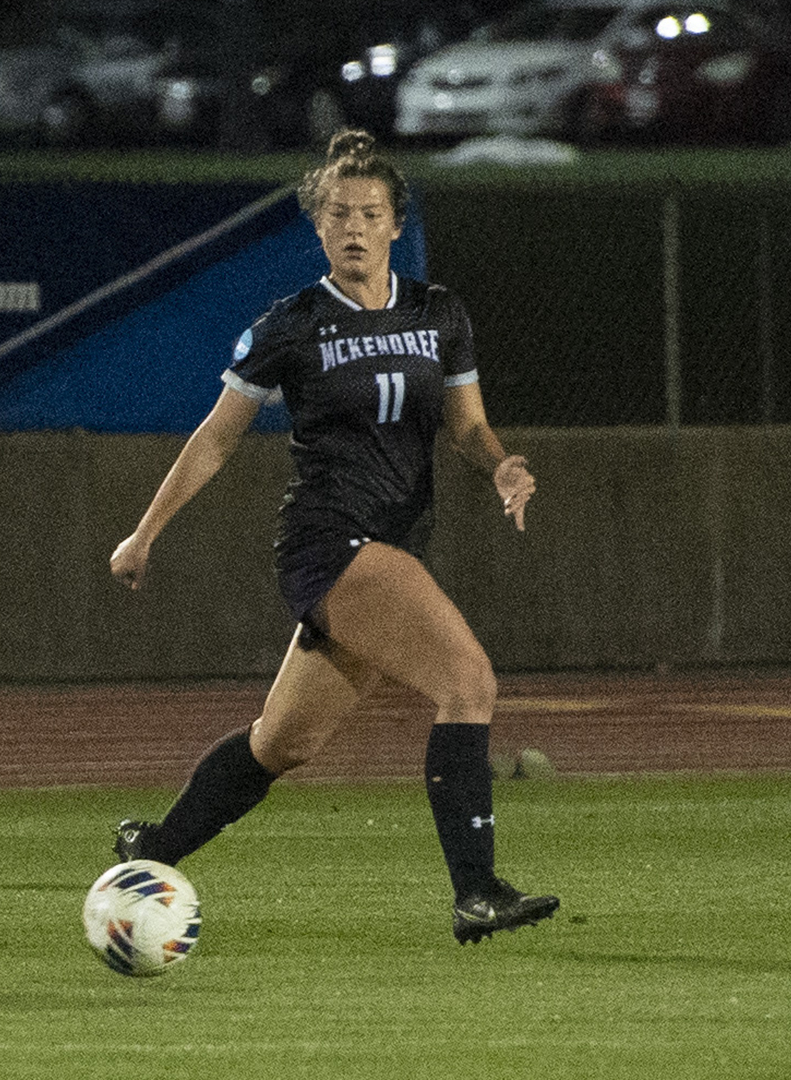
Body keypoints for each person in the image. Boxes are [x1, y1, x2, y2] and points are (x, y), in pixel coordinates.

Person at [107, 130, 559, 946]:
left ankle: (153, 850)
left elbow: (467, 426)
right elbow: (215, 439)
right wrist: (144, 533)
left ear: (395, 226)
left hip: (394, 544)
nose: (355, 227)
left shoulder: (438, 313)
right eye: (339, 213)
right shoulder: (291, 325)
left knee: (282, 743)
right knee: (468, 682)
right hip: (329, 542)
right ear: (318, 227)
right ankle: (477, 891)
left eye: (371, 213)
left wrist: (500, 465)